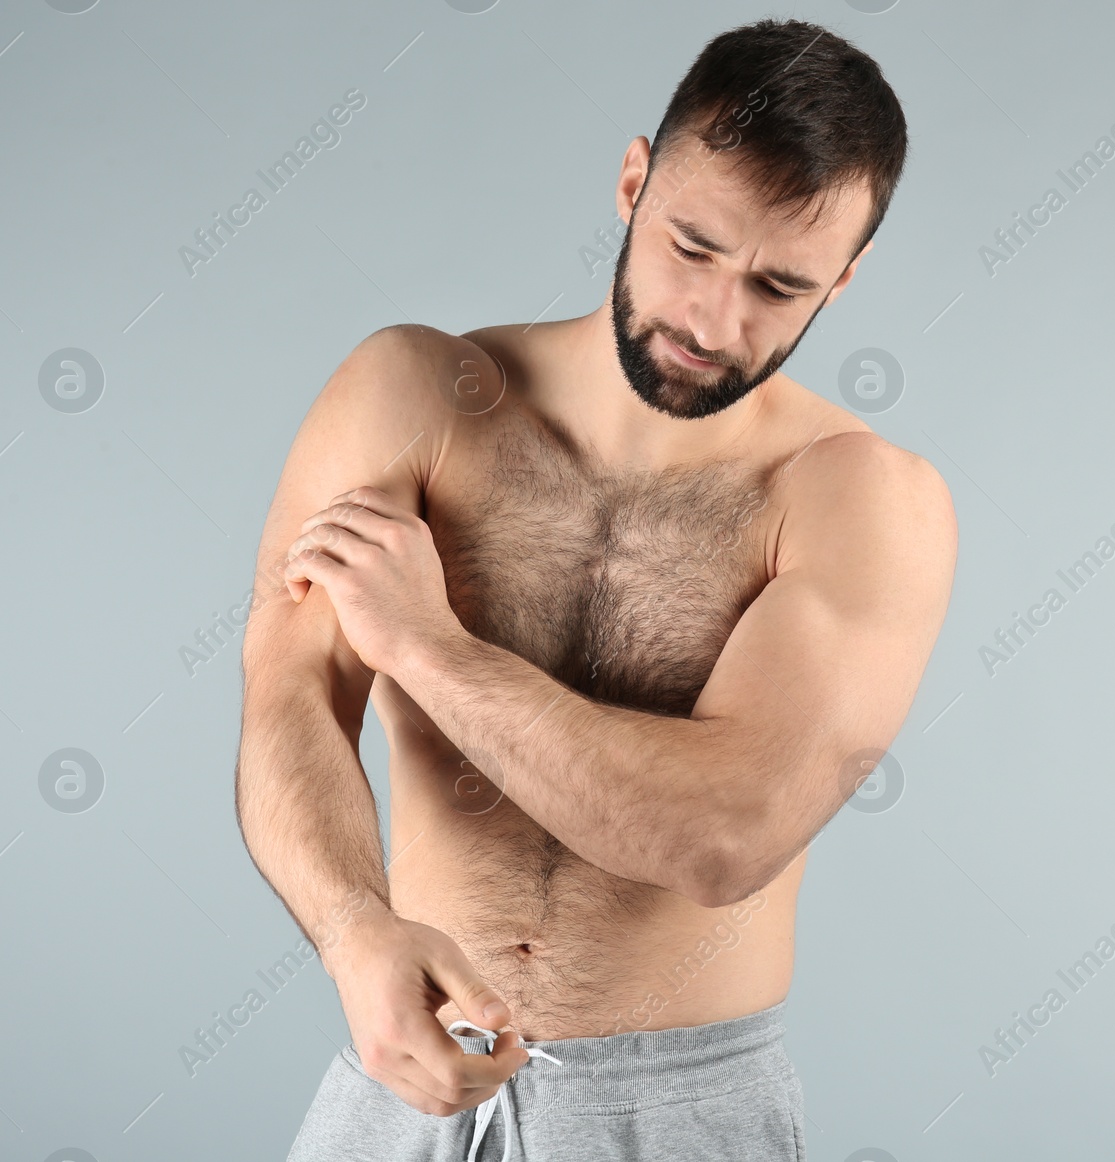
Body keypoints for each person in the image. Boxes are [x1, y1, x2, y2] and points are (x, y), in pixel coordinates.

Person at [235, 17, 957, 1161]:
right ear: (632, 182)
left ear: (845, 277)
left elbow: (719, 838)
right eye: (694, 247)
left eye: (779, 284)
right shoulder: (414, 396)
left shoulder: (860, 502)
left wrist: (426, 645)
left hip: (674, 1112)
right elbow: (287, 698)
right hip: (405, 1072)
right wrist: (352, 932)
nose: (714, 321)